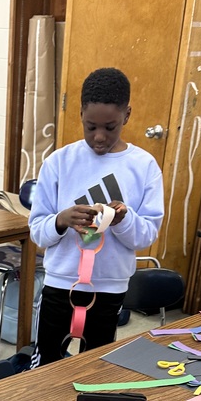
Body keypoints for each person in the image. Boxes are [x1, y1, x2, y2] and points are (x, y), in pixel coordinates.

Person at [28, 67, 165, 366]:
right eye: (90, 127)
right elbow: (37, 231)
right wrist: (61, 220)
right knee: (46, 366)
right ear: (80, 114)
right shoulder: (59, 162)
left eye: (110, 127)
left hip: (110, 287)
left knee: (96, 368)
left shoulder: (144, 167)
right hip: (60, 283)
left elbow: (147, 235)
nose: (99, 137)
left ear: (127, 115)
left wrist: (124, 220)